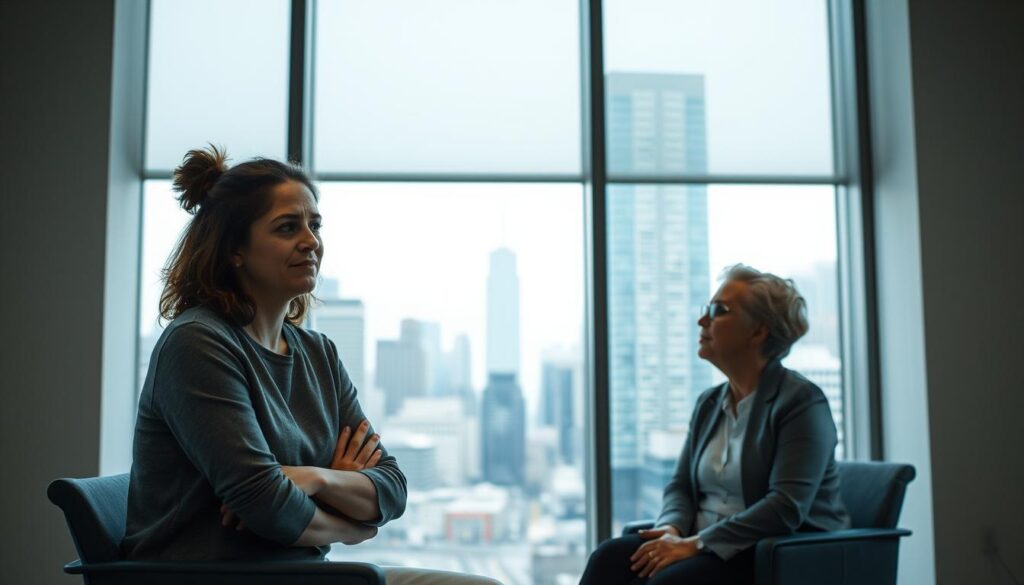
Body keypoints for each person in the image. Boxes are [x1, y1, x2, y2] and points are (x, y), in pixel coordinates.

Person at [121, 145, 501, 585]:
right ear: (234, 249)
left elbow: (393, 488)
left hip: (304, 574)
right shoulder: (198, 343)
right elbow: (267, 505)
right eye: (287, 227)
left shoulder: (319, 353)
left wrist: (316, 480)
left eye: (314, 225)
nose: (311, 241)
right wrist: (354, 527)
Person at [579, 265, 851, 585]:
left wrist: (695, 544)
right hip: (700, 544)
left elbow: (784, 508)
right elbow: (680, 486)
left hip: (769, 554)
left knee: (668, 582)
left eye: (719, 311)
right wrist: (671, 529)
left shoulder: (801, 402)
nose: (702, 320)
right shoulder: (709, 403)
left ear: (758, 331)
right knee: (608, 558)